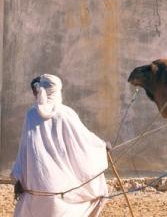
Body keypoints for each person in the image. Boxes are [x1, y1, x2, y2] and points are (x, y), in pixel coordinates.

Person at [11, 74, 109, 217]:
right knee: (97, 193)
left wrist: (19, 179)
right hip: (62, 194)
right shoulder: (66, 113)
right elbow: (82, 142)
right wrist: (102, 146)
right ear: (58, 90)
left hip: (35, 190)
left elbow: (25, 151)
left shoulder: (31, 114)